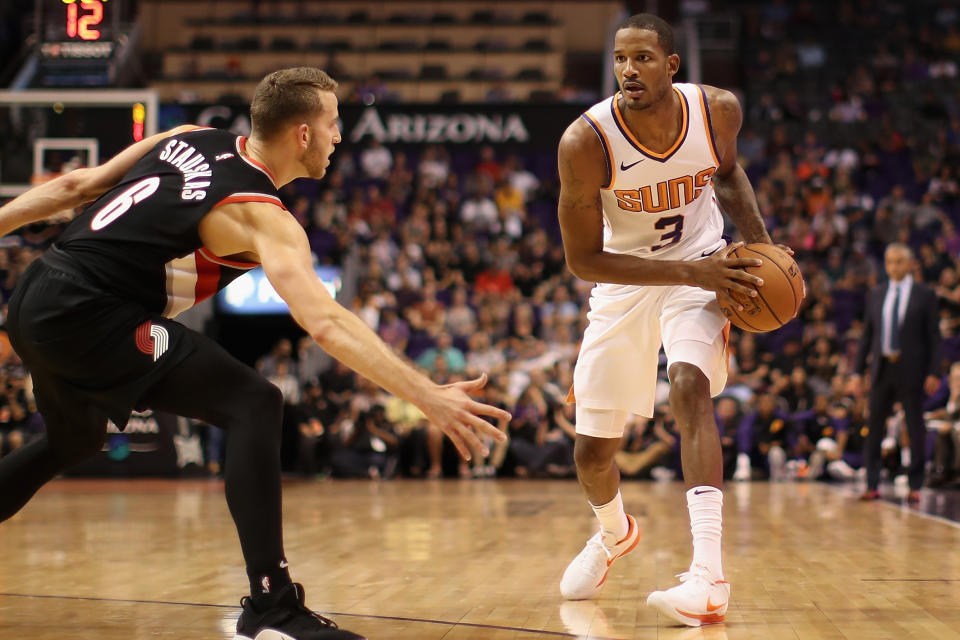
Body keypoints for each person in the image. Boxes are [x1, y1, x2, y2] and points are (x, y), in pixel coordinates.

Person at [0, 67, 510, 640]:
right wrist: (426, 394)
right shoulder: (261, 212)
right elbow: (325, 322)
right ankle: (272, 603)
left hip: (34, 295)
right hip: (88, 312)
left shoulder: (185, 137)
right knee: (255, 403)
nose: (339, 137)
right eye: (333, 124)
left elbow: (74, 188)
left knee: (76, 439)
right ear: (302, 134)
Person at [556, 14, 780, 627]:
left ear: (671, 65)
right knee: (592, 453)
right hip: (624, 282)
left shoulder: (717, 112)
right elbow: (582, 259)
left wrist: (761, 244)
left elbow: (728, 174)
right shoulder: (587, 141)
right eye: (621, 60)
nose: (629, 70)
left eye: (644, 59)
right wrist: (691, 276)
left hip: (702, 266)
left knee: (689, 385)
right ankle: (614, 532)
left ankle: (708, 574)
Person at [849, 243, 941, 502]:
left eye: (899, 261)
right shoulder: (877, 293)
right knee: (874, 426)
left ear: (911, 263)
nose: (893, 266)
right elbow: (867, 336)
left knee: (915, 427)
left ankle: (915, 485)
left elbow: (934, 337)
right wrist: (857, 373)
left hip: (912, 368)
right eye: (889, 261)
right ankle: (872, 483)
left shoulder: (925, 295)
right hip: (882, 367)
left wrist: (934, 371)